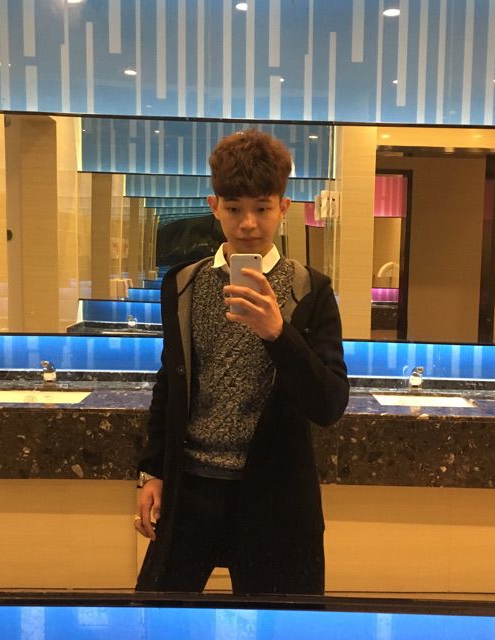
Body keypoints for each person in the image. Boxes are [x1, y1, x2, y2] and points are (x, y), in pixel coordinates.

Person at [134, 129, 349, 595]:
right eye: (234, 209)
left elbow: (329, 403)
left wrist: (278, 333)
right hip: (191, 488)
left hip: (276, 494)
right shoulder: (183, 285)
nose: (248, 223)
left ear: (283, 208)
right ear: (214, 206)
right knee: (156, 615)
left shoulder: (311, 291)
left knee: (279, 624)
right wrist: (153, 471)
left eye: (262, 208)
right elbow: (170, 383)